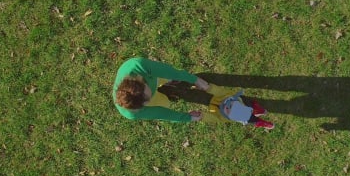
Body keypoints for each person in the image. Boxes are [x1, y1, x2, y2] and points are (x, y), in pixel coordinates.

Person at [113, 57, 274, 129]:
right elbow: (164, 114)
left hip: (152, 76)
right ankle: (247, 114)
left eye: (148, 93)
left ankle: (165, 82)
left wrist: (195, 80)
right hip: (145, 93)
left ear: (140, 80)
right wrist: (188, 117)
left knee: (164, 77)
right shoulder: (134, 113)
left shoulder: (137, 65)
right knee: (166, 103)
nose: (149, 99)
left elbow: (173, 71)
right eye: (147, 102)